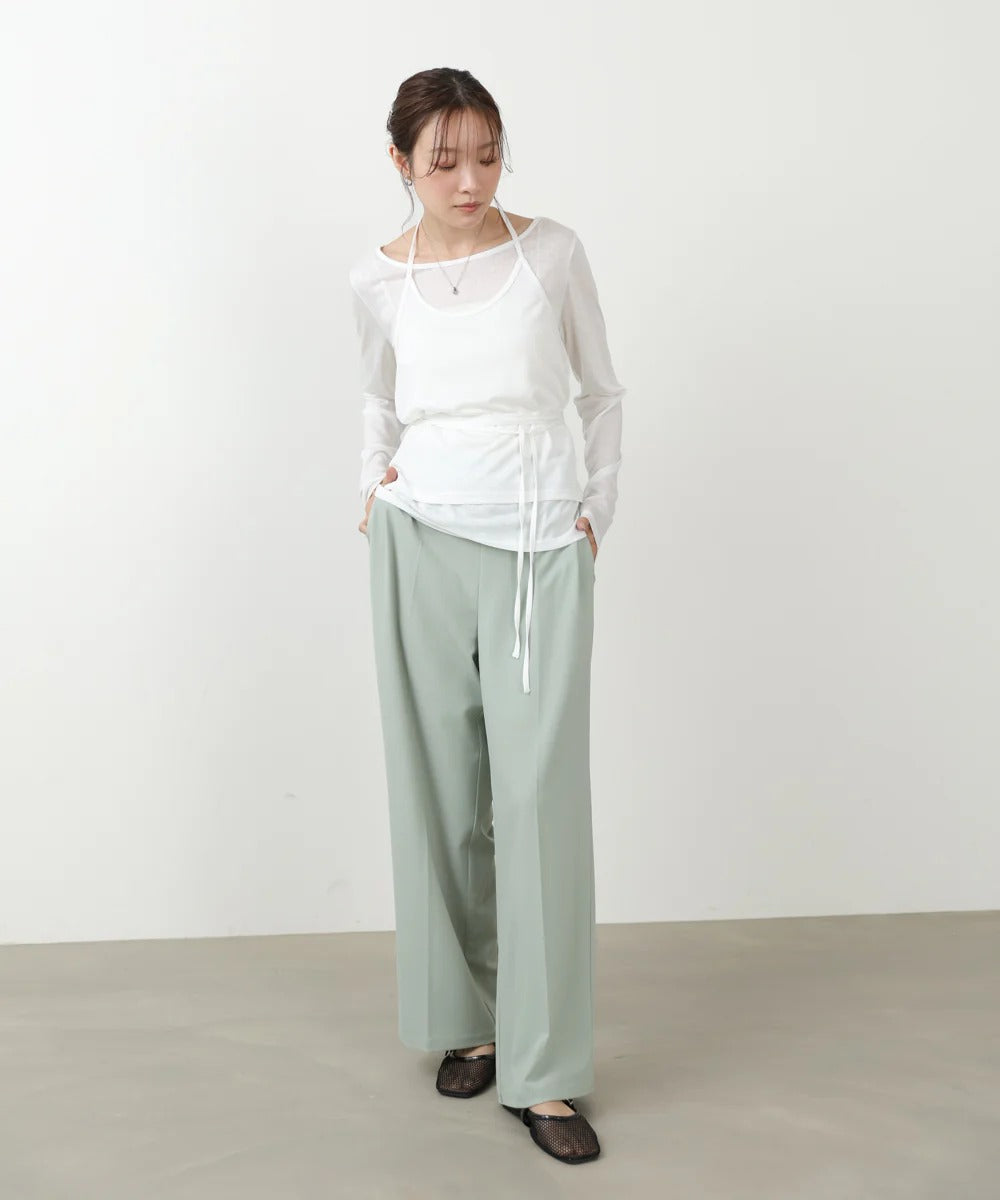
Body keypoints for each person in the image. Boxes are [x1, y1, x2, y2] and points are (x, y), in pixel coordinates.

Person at [349, 67, 624, 1166]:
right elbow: (376, 395)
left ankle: (543, 1072)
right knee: (438, 792)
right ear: (401, 162)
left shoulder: (551, 254)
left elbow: (601, 391)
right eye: (444, 160)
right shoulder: (376, 278)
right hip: (418, 538)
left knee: (538, 798)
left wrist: (595, 510)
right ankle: (466, 1023)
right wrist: (371, 486)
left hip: (538, 544)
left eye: (488, 155)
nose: (470, 180)